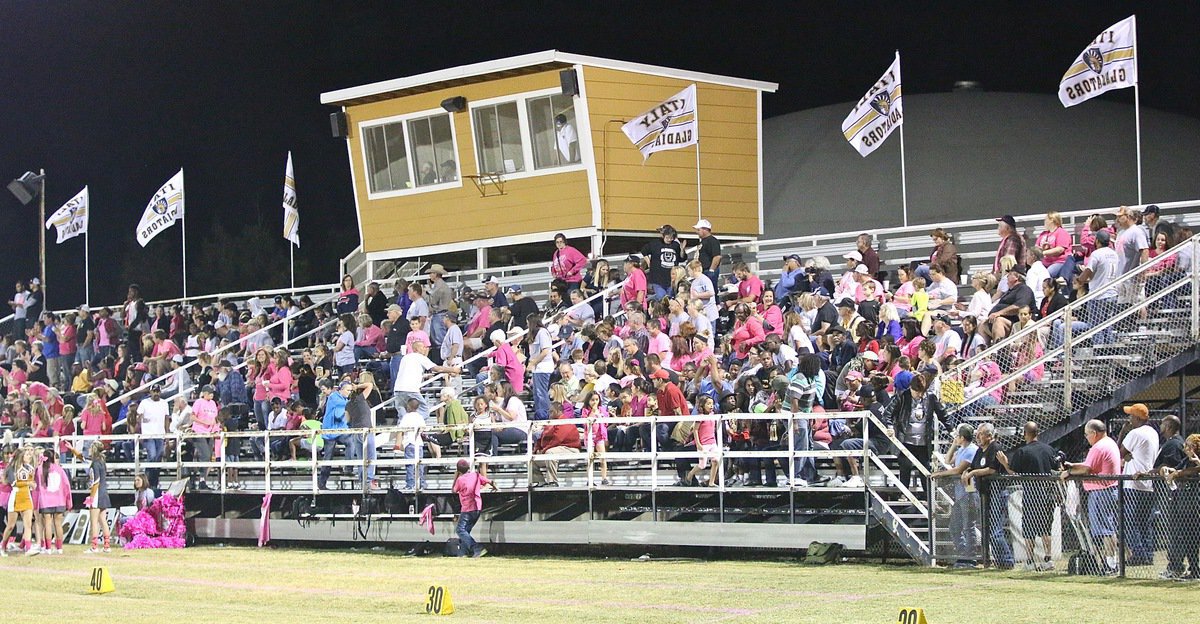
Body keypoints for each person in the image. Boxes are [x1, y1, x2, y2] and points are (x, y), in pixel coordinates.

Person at [1060, 419, 1121, 574]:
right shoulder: (1110, 443)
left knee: (1106, 529)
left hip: (1102, 491)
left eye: (1087, 434)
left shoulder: (1098, 447)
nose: (1086, 437)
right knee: (1108, 527)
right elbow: (1091, 466)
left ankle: (1111, 564)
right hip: (1109, 490)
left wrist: (1069, 472)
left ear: (1094, 433)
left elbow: (1086, 470)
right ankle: (1111, 562)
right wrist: (1073, 465)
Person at [1000, 422, 1060, 571]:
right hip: (1047, 492)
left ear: (1025, 434)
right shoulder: (1049, 449)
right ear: (1037, 433)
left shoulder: (1023, 452)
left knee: (1028, 527)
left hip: (1031, 493)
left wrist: (1005, 464)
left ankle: (1030, 561)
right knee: (1046, 527)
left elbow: (1014, 473)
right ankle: (1048, 559)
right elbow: (1057, 468)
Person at [962, 423, 1015, 569]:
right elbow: (974, 466)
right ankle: (994, 560)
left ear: (989, 436)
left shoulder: (995, 448)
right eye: (977, 434)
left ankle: (1007, 560)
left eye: (981, 434)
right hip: (983, 493)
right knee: (987, 529)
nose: (978, 437)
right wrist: (967, 471)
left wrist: (973, 473)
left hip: (996, 492)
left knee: (995, 531)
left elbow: (991, 469)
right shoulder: (980, 450)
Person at [1117, 403, 1159, 566]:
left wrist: (1122, 432)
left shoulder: (1135, 433)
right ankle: (1147, 554)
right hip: (1148, 483)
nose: (1129, 419)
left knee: (1130, 521)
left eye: (1131, 416)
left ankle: (1139, 553)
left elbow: (1119, 452)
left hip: (1133, 483)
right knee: (1144, 522)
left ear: (1136, 418)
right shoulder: (1153, 432)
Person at [452, 458, 496, 557]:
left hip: (467, 508)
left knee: (460, 530)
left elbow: (454, 490)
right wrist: (494, 486)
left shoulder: (460, 479)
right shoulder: (475, 475)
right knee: (466, 531)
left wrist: (455, 477)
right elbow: (488, 481)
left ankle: (477, 548)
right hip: (477, 508)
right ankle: (463, 553)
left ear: (458, 470)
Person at [531, 401, 581, 487]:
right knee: (531, 459)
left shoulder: (565, 422)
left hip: (569, 448)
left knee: (550, 453)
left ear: (559, 411)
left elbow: (557, 439)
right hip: (554, 448)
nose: (549, 414)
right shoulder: (549, 424)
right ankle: (540, 482)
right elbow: (541, 438)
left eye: (551, 411)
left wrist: (543, 450)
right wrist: (536, 450)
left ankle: (553, 482)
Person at [37, 449, 71, 555]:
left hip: (45, 501)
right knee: (58, 524)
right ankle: (59, 548)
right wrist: (68, 501)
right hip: (59, 500)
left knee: (47, 524)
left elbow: (36, 487)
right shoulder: (59, 469)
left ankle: (47, 549)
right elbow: (66, 486)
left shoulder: (39, 470)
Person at [139, 384, 170, 489]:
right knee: (152, 456)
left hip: (160, 434)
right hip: (148, 434)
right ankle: (147, 480)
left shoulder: (164, 403)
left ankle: (154, 482)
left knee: (158, 457)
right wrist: (142, 424)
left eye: (158, 391)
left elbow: (166, 418)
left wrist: (167, 433)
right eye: (154, 391)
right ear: (150, 392)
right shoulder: (144, 403)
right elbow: (139, 416)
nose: (156, 393)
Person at [641, 225, 684, 301]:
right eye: (667, 237)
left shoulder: (675, 245)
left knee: (671, 298)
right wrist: (649, 262)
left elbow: (682, 258)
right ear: (663, 236)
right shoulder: (655, 243)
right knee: (661, 297)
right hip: (657, 278)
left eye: (671, 238)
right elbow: (644, 251)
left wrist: (682, 250)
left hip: (672, 278)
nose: (669, 239)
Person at [86, 441, 113, 553]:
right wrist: (73, 450)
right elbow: (83, 459)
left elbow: (95, 482)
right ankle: (107, 546)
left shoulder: (95, 464)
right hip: (103, 492)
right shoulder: (102, 462)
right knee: (103, 520)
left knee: (94, 521)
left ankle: (94, 546)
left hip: (97, 494)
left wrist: (91, 498)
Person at [688, 218, 723, 285]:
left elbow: (717, 256)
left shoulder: (712, 241)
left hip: (708, 270)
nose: (697, 232)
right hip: (702, 271)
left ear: (705, 229)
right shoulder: (703, 241)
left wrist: (711, 270)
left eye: (698, 230)